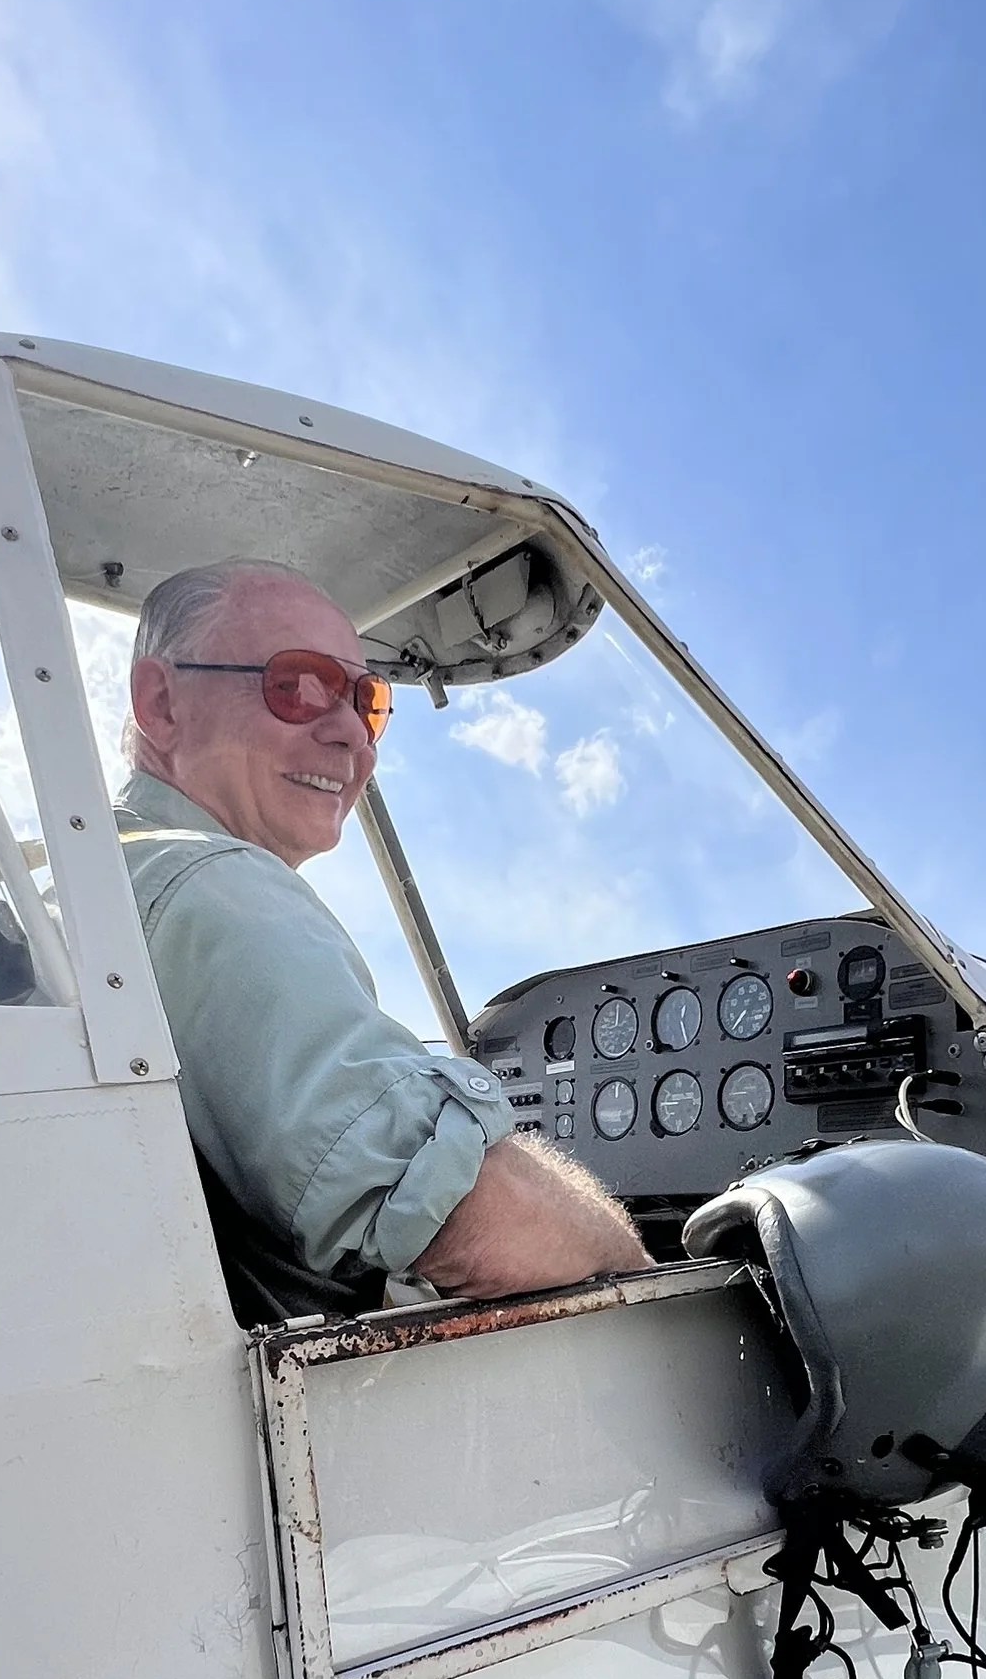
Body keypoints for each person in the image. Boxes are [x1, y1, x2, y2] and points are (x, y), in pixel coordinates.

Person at [117, 559, 650, 1320]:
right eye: (297, 686)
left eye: (365, 701)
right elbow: (469, 1217)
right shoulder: (207, 886)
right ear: (162, 703)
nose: (348, 737)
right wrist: (639, 1266)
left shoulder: (101, 873)